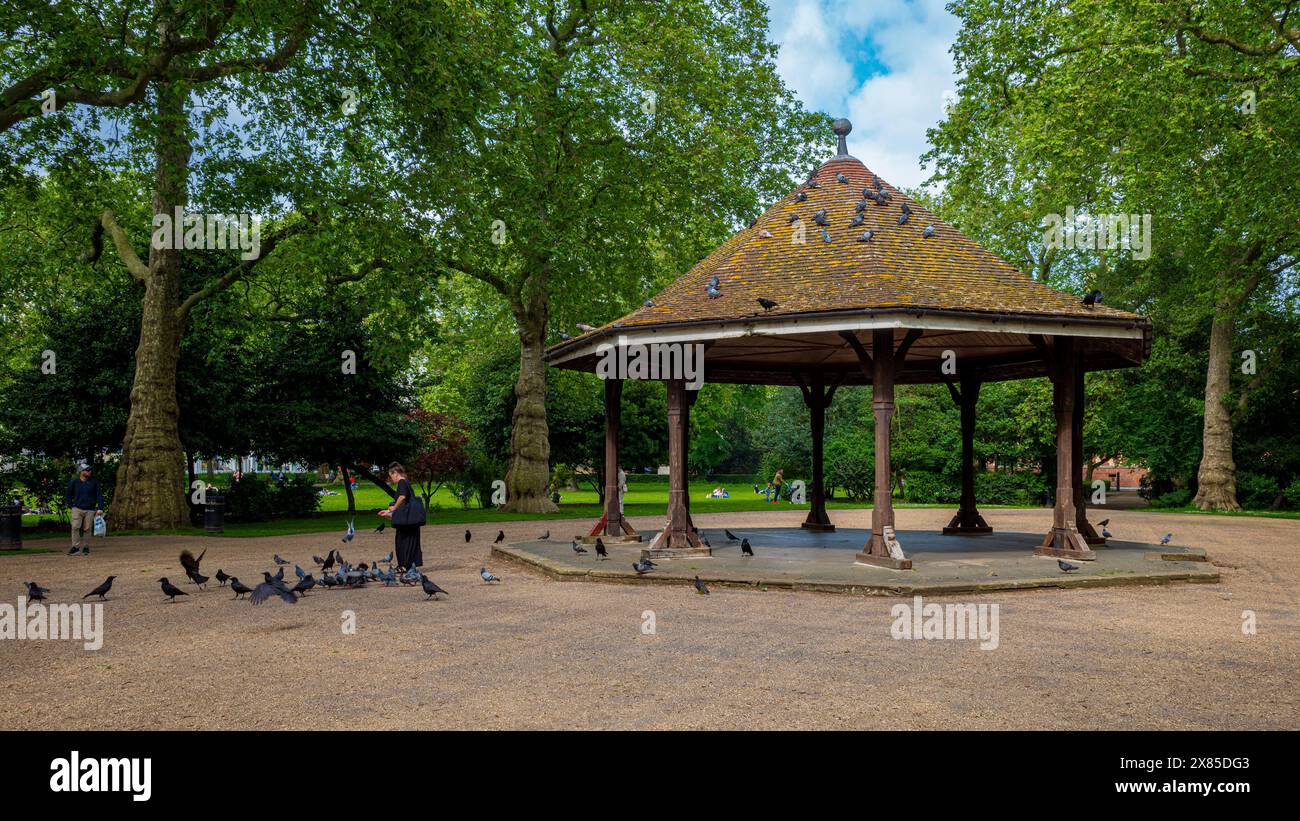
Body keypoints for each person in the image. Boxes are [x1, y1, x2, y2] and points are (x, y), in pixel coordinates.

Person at [377, 462, 422, 571]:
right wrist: (388, 511)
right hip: (411, 520)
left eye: (391, 475)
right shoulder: (406, 482)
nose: (391, 479)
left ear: (395, 473)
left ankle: (404, 565)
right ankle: (408, 565)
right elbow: (405, 503)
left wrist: (393, 508)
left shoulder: (402, 482)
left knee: (402, 542)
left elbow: (402, 497)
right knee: (409, 542)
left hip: (406, 523)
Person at [65, 464, 103, 556]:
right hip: (77, 508)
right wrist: (71, 505)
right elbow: (68, 495)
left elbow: (99, 495)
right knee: (75, 527)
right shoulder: (74, 482)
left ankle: (86, 547)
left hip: (90, 509)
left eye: (90, 470)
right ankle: (75, 547)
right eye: (87, 470)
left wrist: (100, 508)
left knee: (87, 528)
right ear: (81, 471)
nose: (89, 471)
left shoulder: (94, 482)